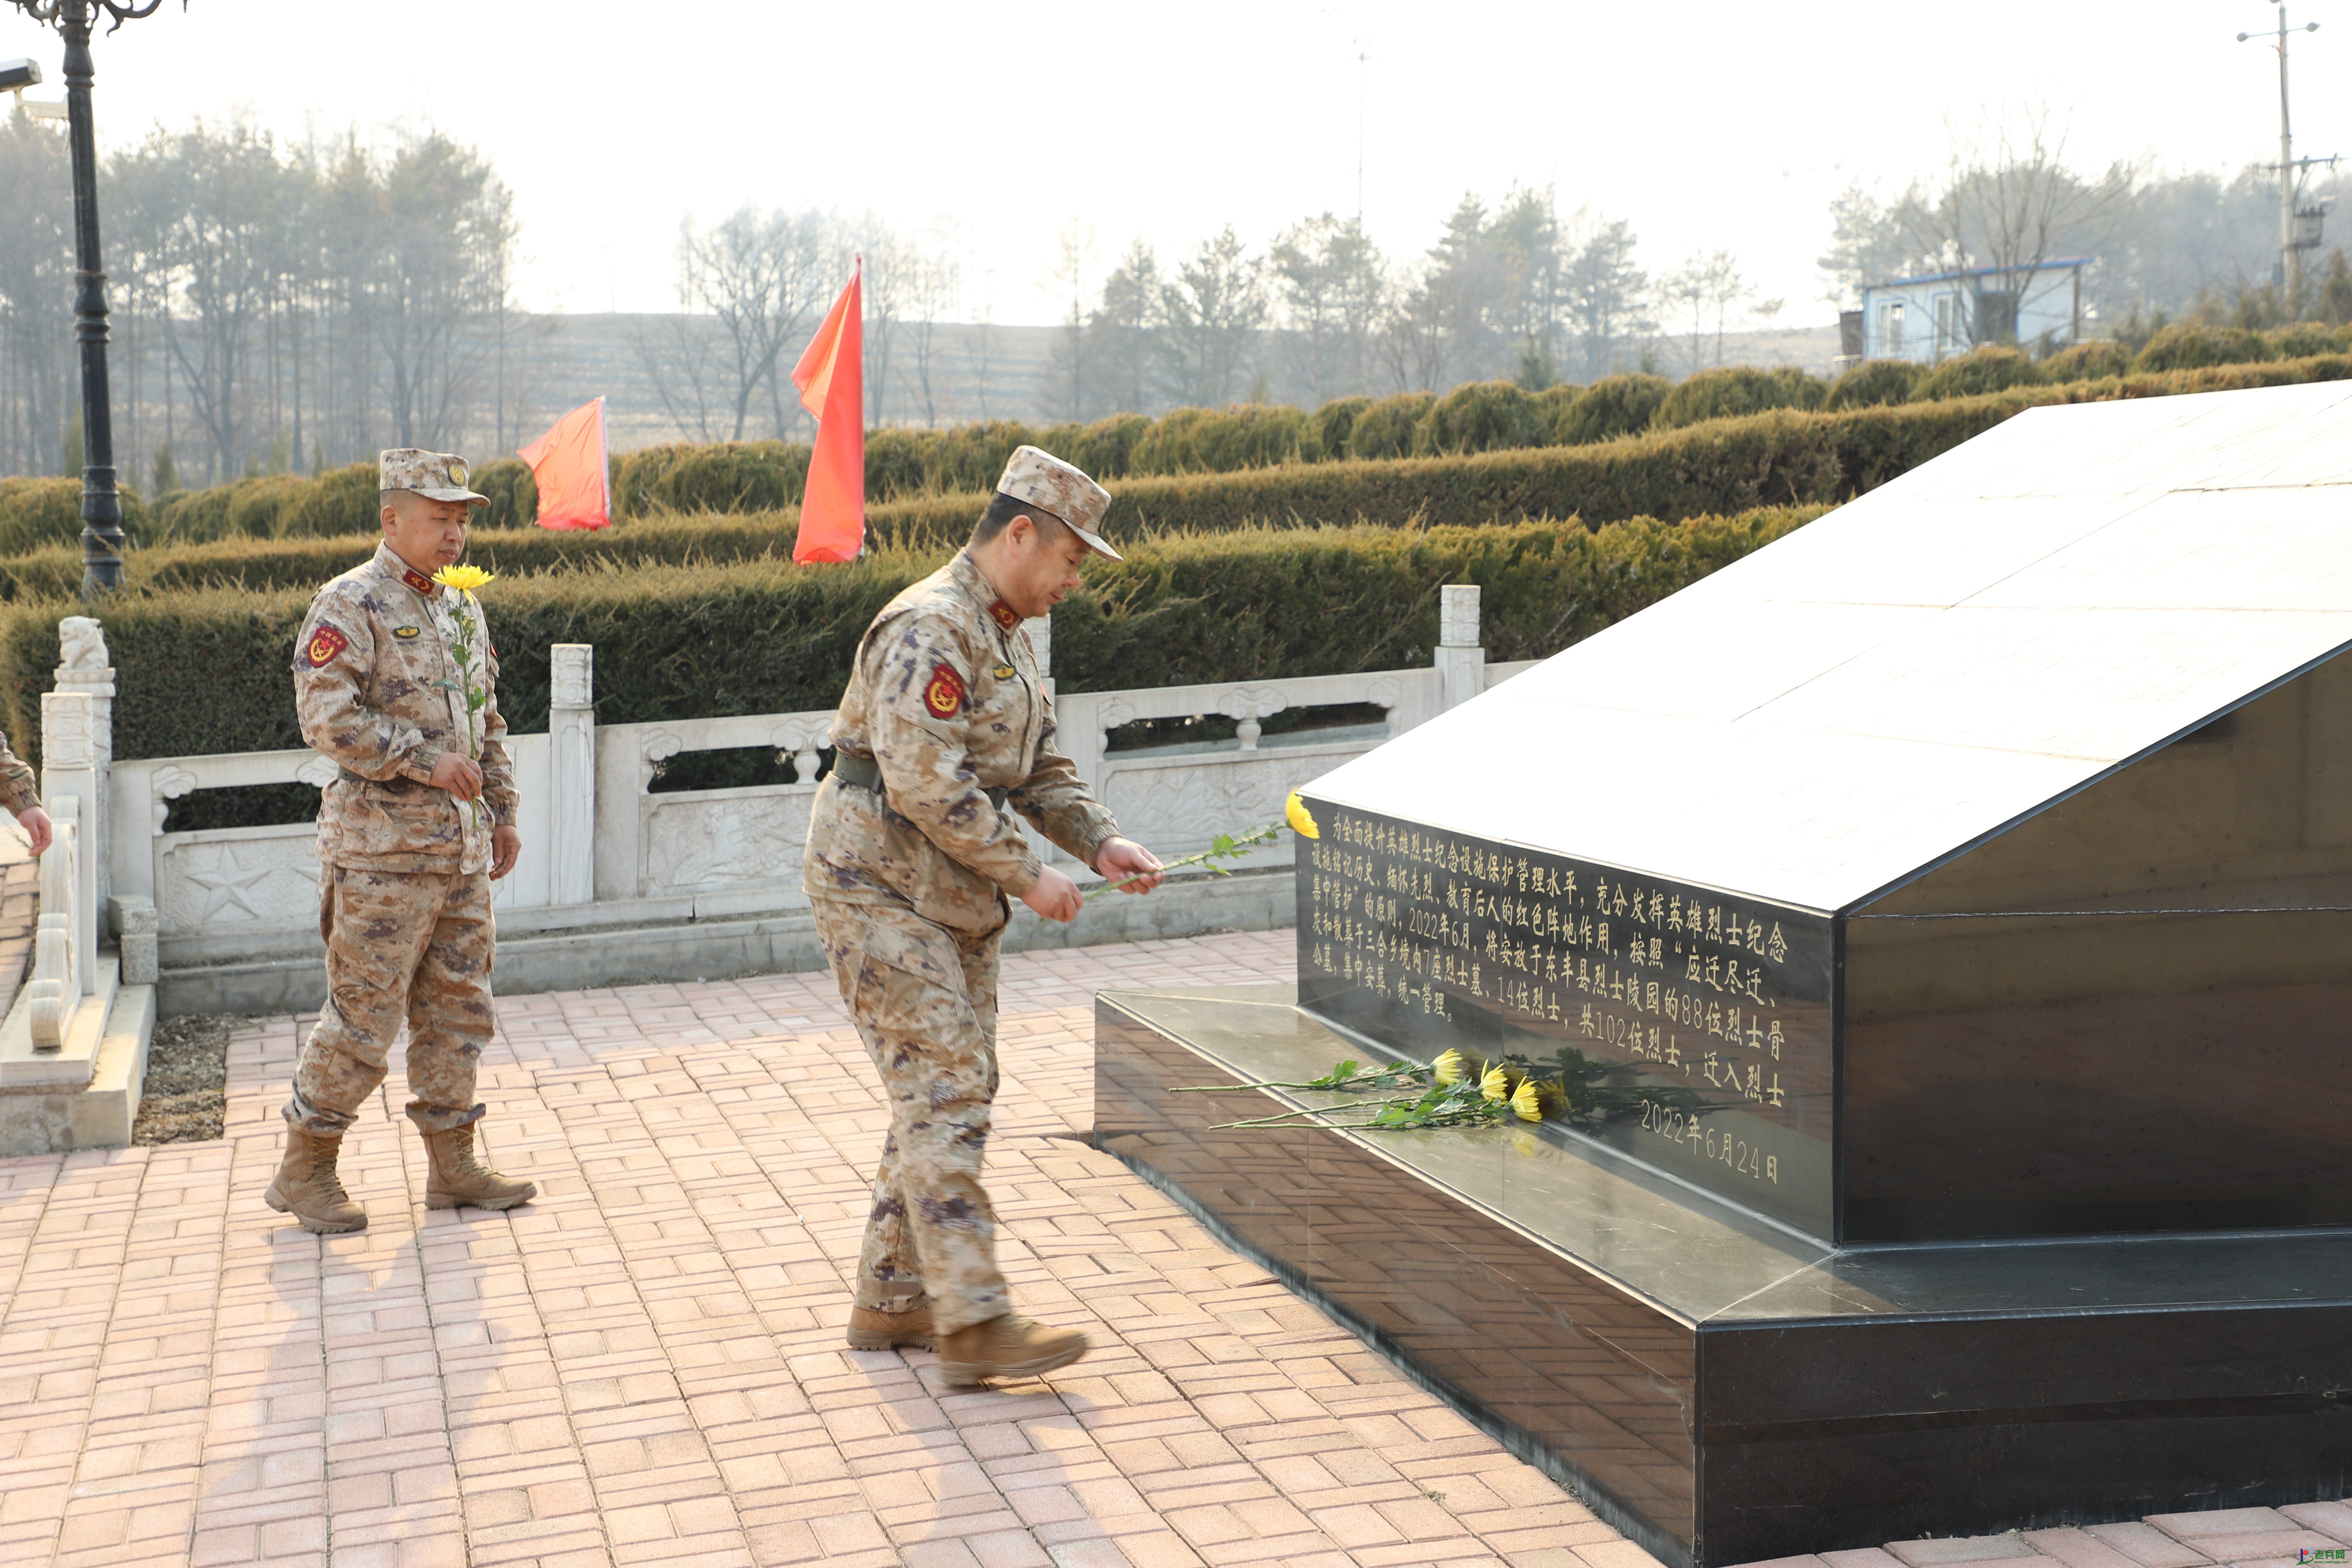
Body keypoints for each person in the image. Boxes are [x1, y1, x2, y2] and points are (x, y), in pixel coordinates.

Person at [806, 445, 1164, 1386]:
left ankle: (895, 1298)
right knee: (948, 1083)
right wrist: (1029, 875)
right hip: (876, 882)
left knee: (953, 1084)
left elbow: (1036, 768)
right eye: (1071, 558)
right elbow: (926, 782)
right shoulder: (930, 626)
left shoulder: (1008, 632)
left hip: (953, 892)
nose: (1074, 579)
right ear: (1020, 534)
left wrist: (1099, 843)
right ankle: (974, 1320)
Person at [265, 448, 535, 1234]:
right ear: (392, 518)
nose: (455, 534)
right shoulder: (349, 603)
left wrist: (503, 811)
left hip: (458, 853)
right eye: (439, 518)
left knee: (459, 1011)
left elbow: (486, 721)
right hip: (381, 857)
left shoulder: (461, 608)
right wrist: (423, 760)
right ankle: (306, 1167)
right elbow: (327, 719)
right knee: (364, 1018)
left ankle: (454, 1165)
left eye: (461, 520)